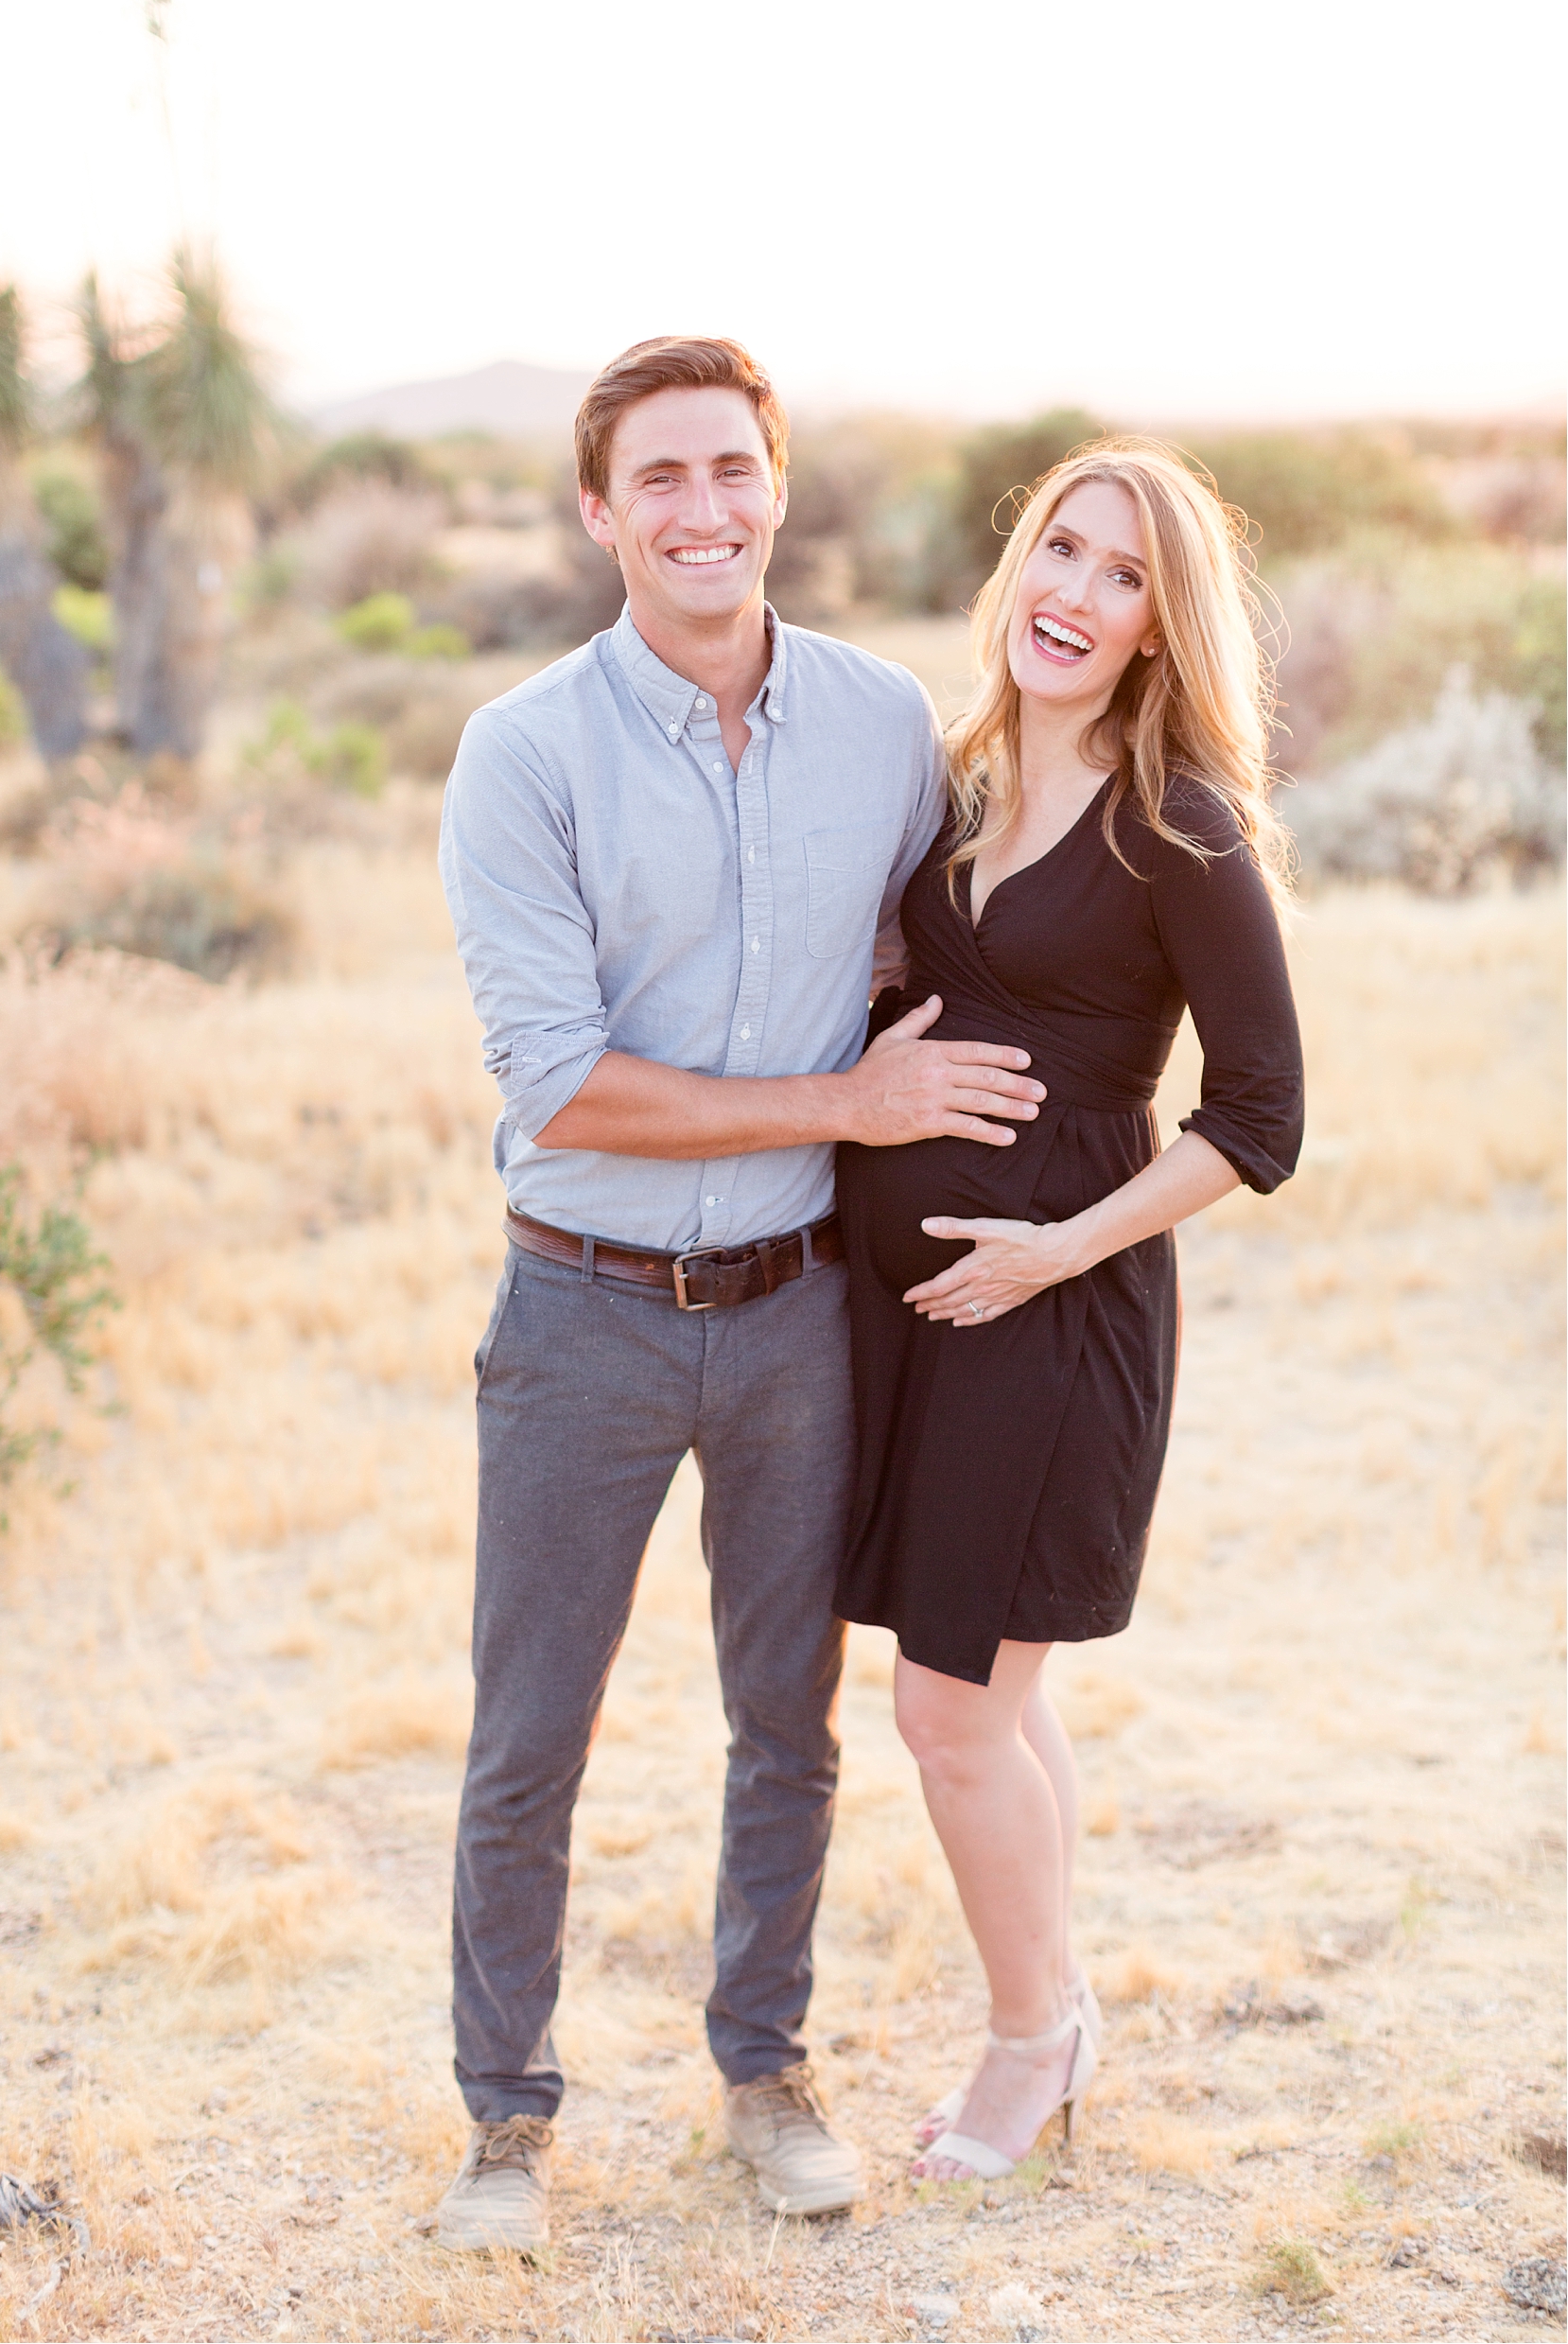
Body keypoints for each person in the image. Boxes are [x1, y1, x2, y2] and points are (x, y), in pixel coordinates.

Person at [434, 335, 1049, 2251]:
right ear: (599, 510)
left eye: (733, 469)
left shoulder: (882, 727)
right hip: (580, 1314)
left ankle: (764, 2072)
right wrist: (847, 1099)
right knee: (529, 1732)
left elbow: (947, 939)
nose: (702, 510)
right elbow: (563, 1081)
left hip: (799, 1317)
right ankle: (505, 2123)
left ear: (776, 486)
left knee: (787, 1720)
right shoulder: (524, 750)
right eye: (660, 479)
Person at [835, 438, 1305, 2181]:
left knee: (949, 1709)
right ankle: (1062, 2001)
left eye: (1124, 578)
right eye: (1062, 549)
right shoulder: (952, 781)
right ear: (1015, 564)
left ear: (1161, 632)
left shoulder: (1178, 827)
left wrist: (1057, 1247)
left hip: (1055, 1311)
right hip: (914, 1317)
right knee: (998, 1695)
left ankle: (1032, 2039)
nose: (1077, 594)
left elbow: (1262, 1117)